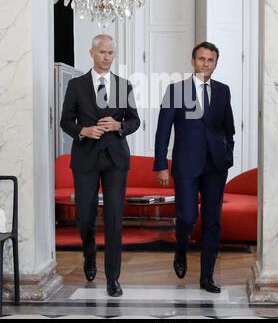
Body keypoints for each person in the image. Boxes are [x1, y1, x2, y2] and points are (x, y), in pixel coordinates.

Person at [60, 34, 140, 297]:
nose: (107, 57)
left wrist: (119, 126)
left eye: (111, 53)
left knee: (115, 219)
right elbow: (65, 121)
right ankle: (89, 256)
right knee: (85, 217)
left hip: (116, 159)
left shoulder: (124, 85)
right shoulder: (76, 85)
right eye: (102, 52)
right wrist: (83, 130)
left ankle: (113, 279)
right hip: (86, 159)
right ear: (91, 53)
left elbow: (134, 120)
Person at [154, 42, 235, 293]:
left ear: (215, 63)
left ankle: (207, 277)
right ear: (193, 61)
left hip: (215, 166)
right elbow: (163, 130)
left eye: (210, 60)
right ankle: (181, 248)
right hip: (186, 164)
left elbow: (228, 128)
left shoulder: (223, 91)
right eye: (201, 59)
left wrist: (228, 155)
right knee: (187, 216)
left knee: (213, 221)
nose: (205, 64)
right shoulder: (176, 90)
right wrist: (160, 165)